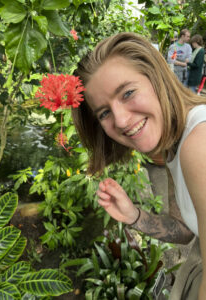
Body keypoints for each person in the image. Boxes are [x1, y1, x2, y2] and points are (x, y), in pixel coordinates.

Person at [72, 32, 206, 300]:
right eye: (104, 113)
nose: (120, 120)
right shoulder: (173, 145)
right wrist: (133, 215)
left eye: (128, 93)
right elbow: (186, 229)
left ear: (157, 77)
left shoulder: (198, 143)